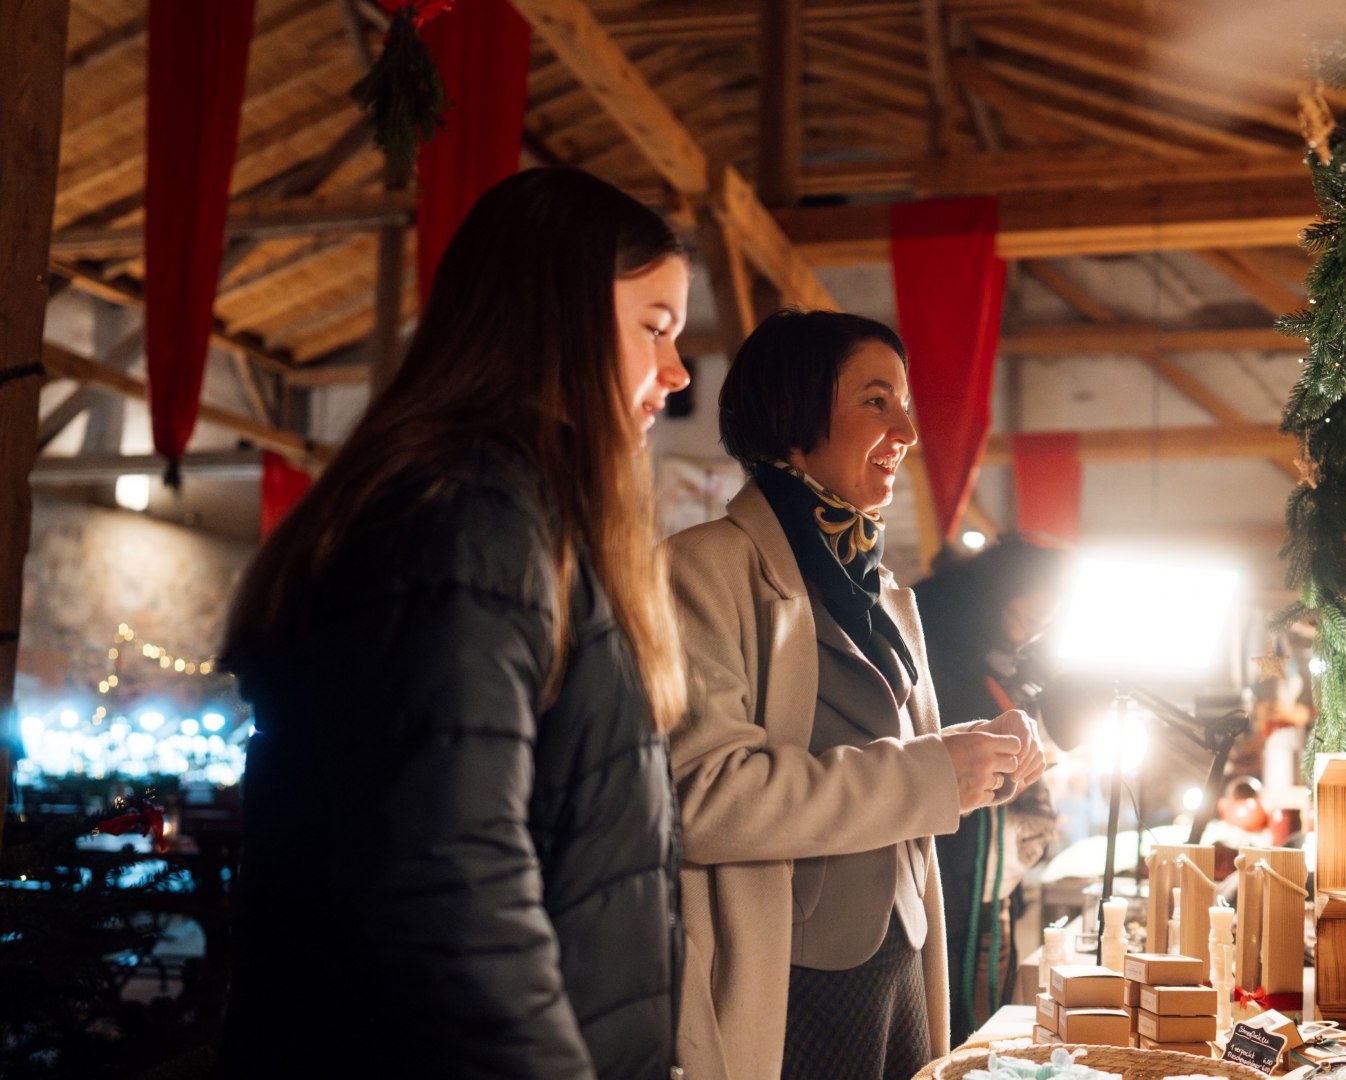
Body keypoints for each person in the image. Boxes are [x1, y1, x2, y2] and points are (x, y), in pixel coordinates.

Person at [218, 168, 689, 1078]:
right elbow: (453, 878)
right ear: (554, 314)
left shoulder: (531, 511)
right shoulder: (469, 514)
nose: (673, 371)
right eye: (654, 327)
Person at [668, 310, 1046, 1080]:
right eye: (877, 400)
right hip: (792, 983)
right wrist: (935, 774)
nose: (906, 429)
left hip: (903, 966)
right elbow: (703, 799)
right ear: (795, 411)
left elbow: (894, 760)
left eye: (904, 403)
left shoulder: (886, 593)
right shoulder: (701, 570)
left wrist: (979, 752)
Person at [913, 538, 1071, 1042]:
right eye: (1030, 615)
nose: (1038, 628)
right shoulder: (942, 657)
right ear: (996, 597)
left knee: (981, 1019)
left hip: (988, 886)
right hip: (951, 879)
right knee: (961, 1029)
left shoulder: (1002, 661)